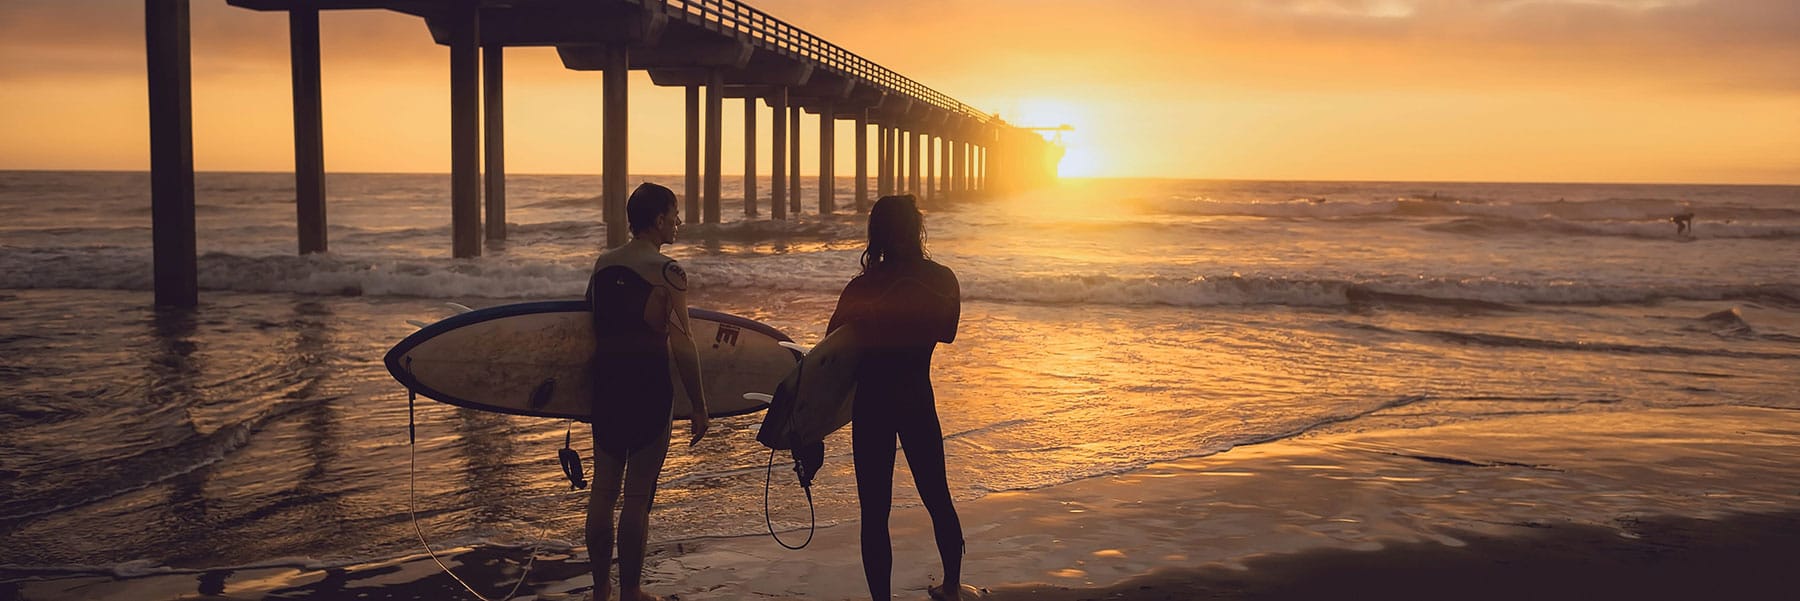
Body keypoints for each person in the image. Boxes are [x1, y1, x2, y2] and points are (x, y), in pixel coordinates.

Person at [827, 195, 967, 601]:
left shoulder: (861, 286)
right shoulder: (942, 278)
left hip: (872, 403)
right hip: (916, 397)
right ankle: (953, 588)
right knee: (938, 496)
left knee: (874, 512)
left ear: (877, 234)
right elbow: (948, 331)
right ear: (916, 229)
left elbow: (831, 350)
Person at [585, 182, 709, 601]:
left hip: (605, 388)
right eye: (675, 215)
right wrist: (699, 405)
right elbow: (684, 342)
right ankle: (632, 591)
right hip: (648, 389)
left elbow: (588, 326)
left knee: (603, 491)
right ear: (658, 220)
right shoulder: (668, 271)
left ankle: (601, 589)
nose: (679, 223)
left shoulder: (603, 265)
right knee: (637, 498)